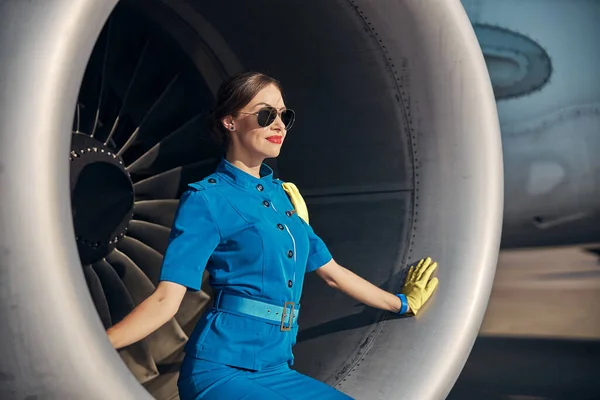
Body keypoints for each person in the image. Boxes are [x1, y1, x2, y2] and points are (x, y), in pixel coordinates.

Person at [106, 71, 439, 399]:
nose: (279, 125)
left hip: (276, 369)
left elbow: (333, 273)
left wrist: (402, 303)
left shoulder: (283, 199)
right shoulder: (206, 199)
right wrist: (98, 344)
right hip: (222, 370)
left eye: (284, 115)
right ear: (230, 122)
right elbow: (166, 300)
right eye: (266, 114)